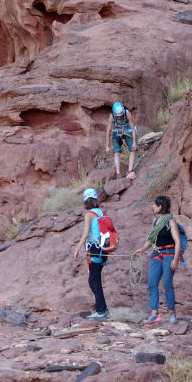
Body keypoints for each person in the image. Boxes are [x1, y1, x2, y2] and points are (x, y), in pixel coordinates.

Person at [133, 195, 180, 324]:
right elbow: (151, 239)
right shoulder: (155, 221)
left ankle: (172, 312)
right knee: (152, 282)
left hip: (169, 253)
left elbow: (177, 241)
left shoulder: (170, 222)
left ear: (160, 207)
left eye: (155, 205)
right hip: (157, 254)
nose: (153, 207)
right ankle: (155, 313)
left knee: (167, 283)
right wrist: (142, 250)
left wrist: (175, 259)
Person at [74, 188, 110, 320]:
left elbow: (85, 235)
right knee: (94, 279)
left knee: (94, 280)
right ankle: (103, 308)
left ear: (85, 200)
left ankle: (100, 311)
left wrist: (77, 248)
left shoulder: (89, 215)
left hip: (94, 249)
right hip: (104, 249)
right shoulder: (101, 212)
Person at [106, 101, 137, 179]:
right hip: (117, 131)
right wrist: (107, 146)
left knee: (133, 150)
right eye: (118, 116)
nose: (119, 117)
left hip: (128, 130)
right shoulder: (112, 115)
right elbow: (108, 131)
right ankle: (118, 174)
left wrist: (134, 142)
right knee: (116, 152)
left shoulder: (127, 113)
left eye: (120, 115)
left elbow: (133, 128)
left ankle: (130, 171)